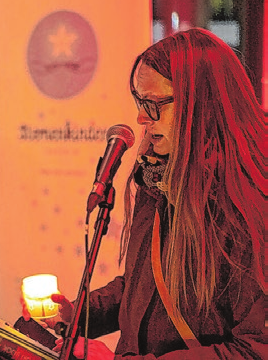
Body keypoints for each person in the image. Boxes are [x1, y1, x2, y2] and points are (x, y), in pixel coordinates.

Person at [22, 28, 266, 359]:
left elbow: (253, 350)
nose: (140, 118)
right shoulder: (156, 176)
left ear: (202, 104)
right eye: (139, 101)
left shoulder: (250, 202)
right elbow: (144, 284)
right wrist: (76, 314)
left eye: (152, 104)